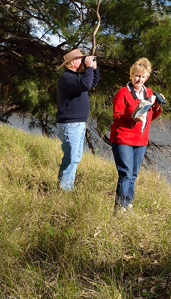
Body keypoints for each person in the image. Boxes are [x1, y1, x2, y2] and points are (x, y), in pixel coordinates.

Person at [109, 57, 165, 212]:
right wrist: (132, 118)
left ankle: (128, 204)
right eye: (137, 75)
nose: (139, 79)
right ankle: (119, 208)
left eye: (143, 76)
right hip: (123, 139)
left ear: (147, 77)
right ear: (131, 75)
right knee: (125, 173)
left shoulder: (149, 93)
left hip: (141, 140)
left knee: (133, 175)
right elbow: (116, 117)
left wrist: (158, 107)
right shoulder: (122, 93)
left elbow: (148, 117)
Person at [55, 48, 99, 191]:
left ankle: (66, 187)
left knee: (75, 158)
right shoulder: (67, 78)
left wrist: (94, 68)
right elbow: (86, 84)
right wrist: (88, 68)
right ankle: (64, 190)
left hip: (77, 124)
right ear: (72, 62)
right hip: (70, 124)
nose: (82, 61)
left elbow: (92, 82)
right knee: (71, 158)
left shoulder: (75, 77)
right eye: (80, 59)